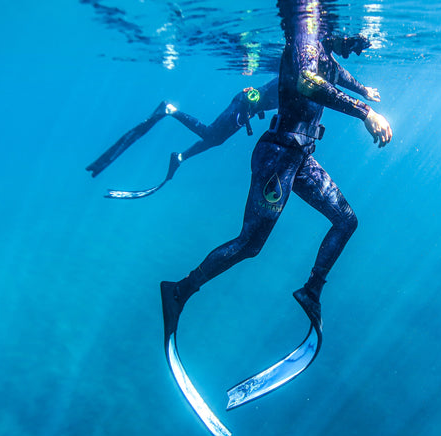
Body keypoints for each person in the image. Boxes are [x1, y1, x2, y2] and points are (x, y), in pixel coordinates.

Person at [160, 0, 392, 342]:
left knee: (346, 221)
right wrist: (364, 111)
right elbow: (308, 82)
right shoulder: (306, 38)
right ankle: (179, 291)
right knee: (249, 244)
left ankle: (311, 292)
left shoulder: (321, 49)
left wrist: (361, 89)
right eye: (353, 41)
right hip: (278, 156)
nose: (353, 47)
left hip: (298, 157)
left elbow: (334, 72)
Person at [85, 35, 374, 188]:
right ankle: (170, 111)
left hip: (250, 105)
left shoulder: (323, 65)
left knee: (215, 139)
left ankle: (181, 156)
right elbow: (335, 75)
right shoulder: (304, 62)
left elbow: (340, 75)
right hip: (244, 103)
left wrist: (363, 92)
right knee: (213, 136)